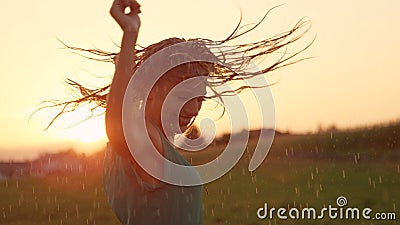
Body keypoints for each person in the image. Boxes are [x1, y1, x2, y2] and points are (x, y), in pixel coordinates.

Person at [37, 0, 312, 224]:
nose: (193, 109)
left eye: (199, 99)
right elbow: (119, 128)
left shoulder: (147, 145)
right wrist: (130, 35)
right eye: (183, 96)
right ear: (152, 89)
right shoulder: (145, 143)